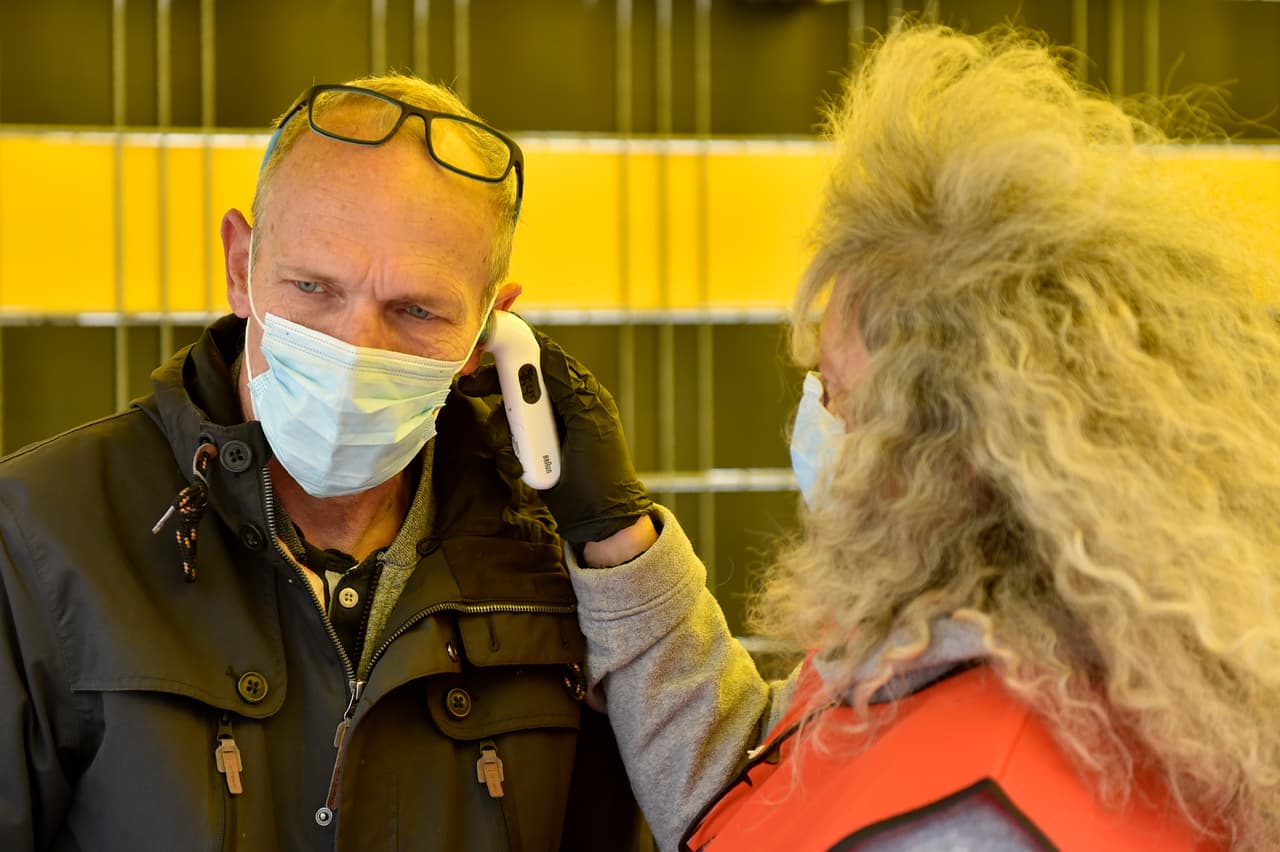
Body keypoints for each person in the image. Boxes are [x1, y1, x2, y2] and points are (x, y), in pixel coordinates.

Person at [559, 22, 1280, 852]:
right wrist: (621, 539)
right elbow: (762, 793)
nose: (812, 423)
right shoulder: (1006, 654)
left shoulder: (976, 818)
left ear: (956, 453)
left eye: (834, 393)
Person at [0, 74, 655, 850]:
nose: (355, 349)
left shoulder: (552, 563)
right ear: (240, 265)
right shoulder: (42, 534)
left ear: (490, 327)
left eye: (417, 311)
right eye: (312, 287)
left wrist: (621, 550)